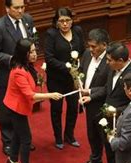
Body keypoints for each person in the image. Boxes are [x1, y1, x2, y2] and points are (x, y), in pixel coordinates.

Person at [4, 38, 63, 163]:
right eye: (31, 52)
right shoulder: (18, 71)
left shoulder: (26, 66)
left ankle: (12, 159)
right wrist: (51, 95)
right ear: (23, 54)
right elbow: (31, 95)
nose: (34, 54)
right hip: (16, 108)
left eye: (35, 50)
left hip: (20, 106)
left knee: (18, 133)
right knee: (26, 139)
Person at [92, 42, 131, 163]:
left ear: (120, 60)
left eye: (110, 60)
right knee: (110, 156)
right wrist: (91, 93)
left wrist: (115, 111)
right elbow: (107, 90)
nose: (107, 63)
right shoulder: (113, 69)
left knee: (121, 161)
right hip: (108, 121)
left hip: (123, 123)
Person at [0, 0, 35, 156]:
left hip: (26, 72)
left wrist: (32, 53)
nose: (20, 11)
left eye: (22, 7)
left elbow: (34, 40)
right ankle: (8, 142)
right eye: (16, 8)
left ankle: (23, 138)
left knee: (23, 107)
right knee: (7, 110)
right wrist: (13, 59)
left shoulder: (28, 20)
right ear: (7, 8)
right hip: (7, 75)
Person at [44, 7, 85, 149]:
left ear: (72, 21)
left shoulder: (78, 32)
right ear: (56, 23)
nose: (65, 24)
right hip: (56, 79)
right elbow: (49, 58)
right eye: (61, 21)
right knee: (57, 108)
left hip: (72, 79)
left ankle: (69, 135)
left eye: (68, 20)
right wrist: (67, 67)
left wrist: (79, 71)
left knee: (73, 107)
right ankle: (58, 138)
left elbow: (83, 51)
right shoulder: (51, 35)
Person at [77, 28, 111, 163]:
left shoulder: (110, 60)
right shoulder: (86, 54)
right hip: (88, 104)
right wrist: (77, 80)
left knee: (106, 139)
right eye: (89, 45)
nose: (90, 49)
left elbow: (108, 87)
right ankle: (95, 159)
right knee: (92, 134)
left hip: (102, 105)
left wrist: (90, 92)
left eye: (94, 46)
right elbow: (80, 71)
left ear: (104, 45)